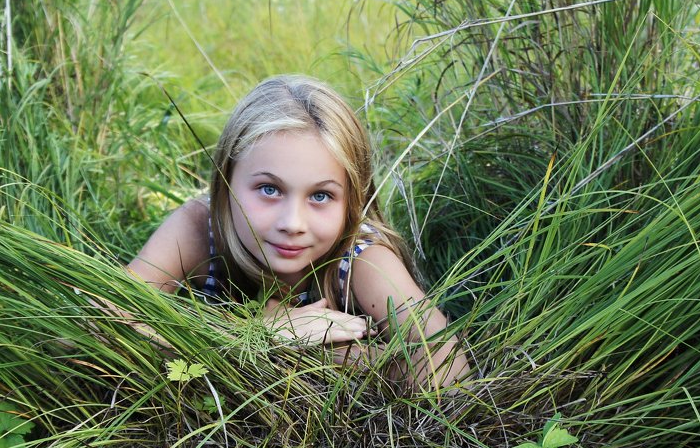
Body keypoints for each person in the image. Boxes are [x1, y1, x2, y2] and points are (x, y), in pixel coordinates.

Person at [125, 75, 468, 389]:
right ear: (226, 182)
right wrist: (258, 333)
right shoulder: (199, 228)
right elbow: (96, 325)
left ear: (351, 201)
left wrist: (331, 359)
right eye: (269, 189)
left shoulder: (362, 259)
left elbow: (451, 374)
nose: (292, 222)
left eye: (321, 196)